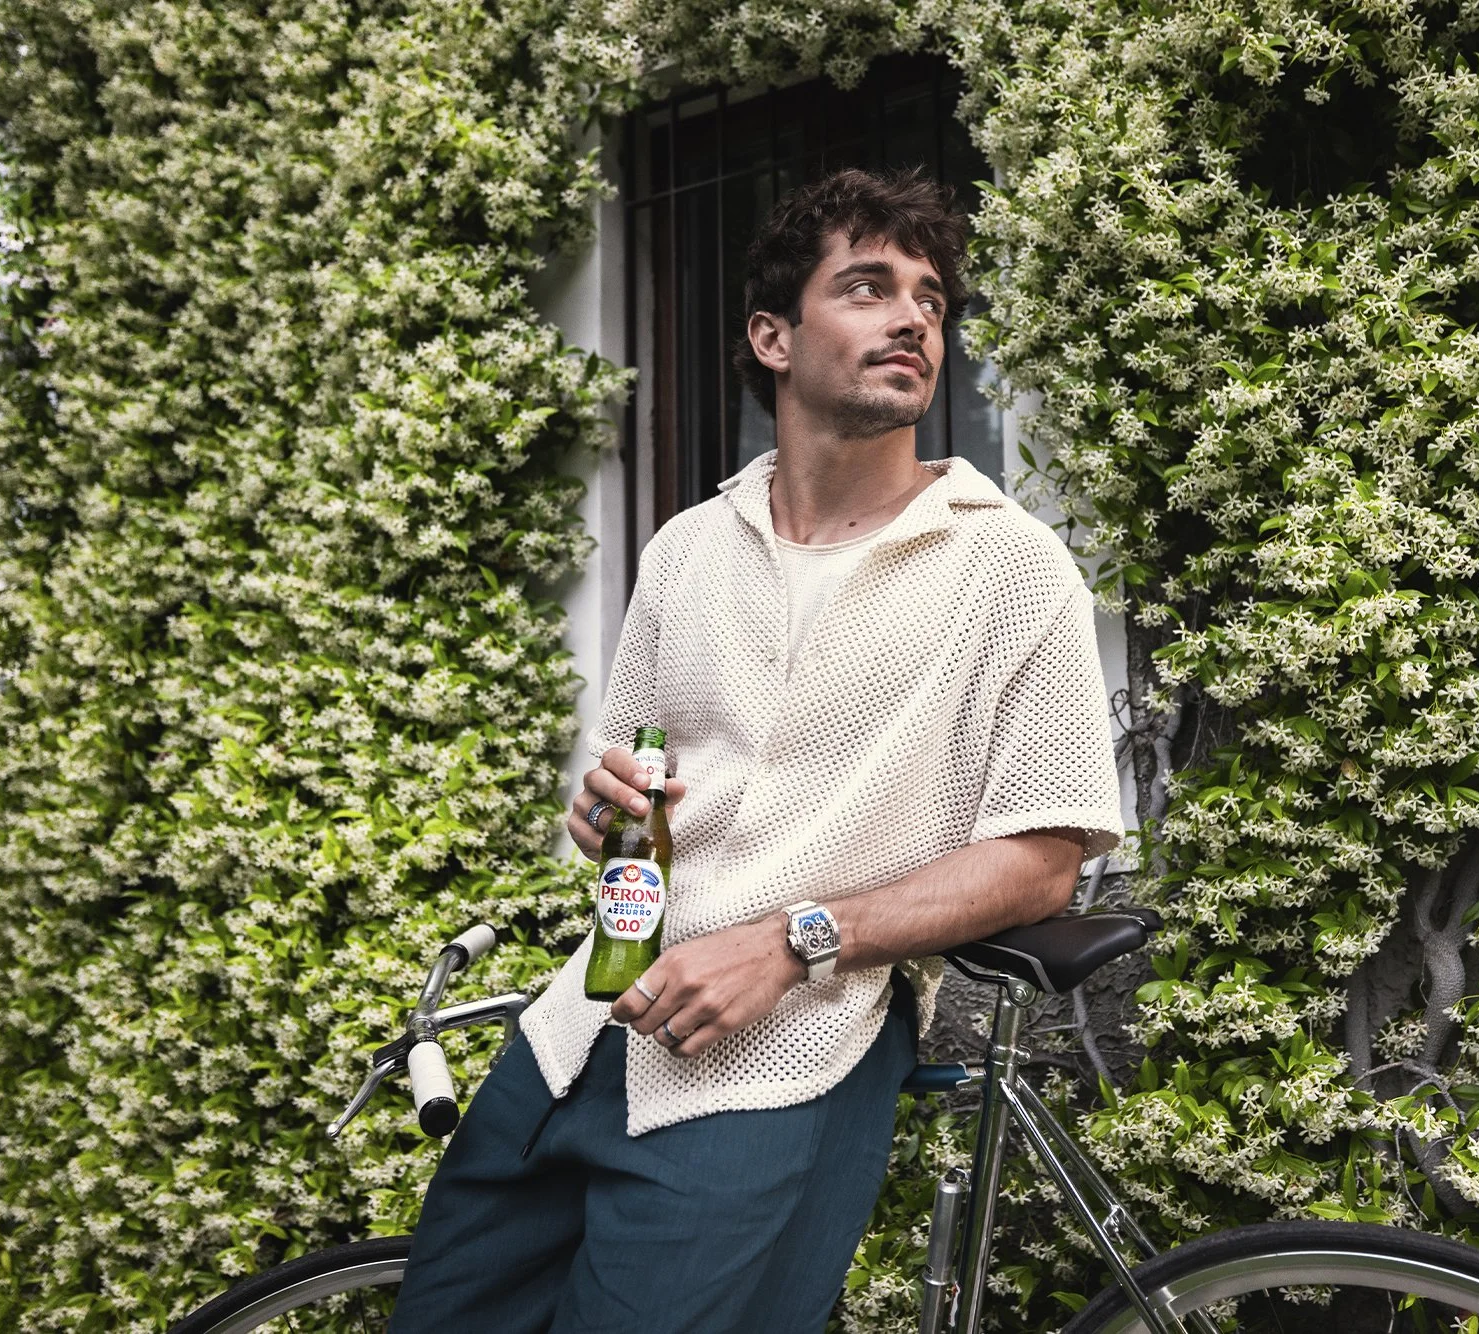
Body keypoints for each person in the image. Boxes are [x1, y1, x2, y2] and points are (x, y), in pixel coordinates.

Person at [388, 166, 1124, 1332]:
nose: (911, 320)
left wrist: (792, 940)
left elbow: (1040, 860)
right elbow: (638, 795)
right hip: (576, 1031)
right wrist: (601, 812)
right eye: (869, 287)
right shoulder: (686, 546)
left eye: (929, 299)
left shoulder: (1008, 563)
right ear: (771, 336)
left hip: (785, 1057)